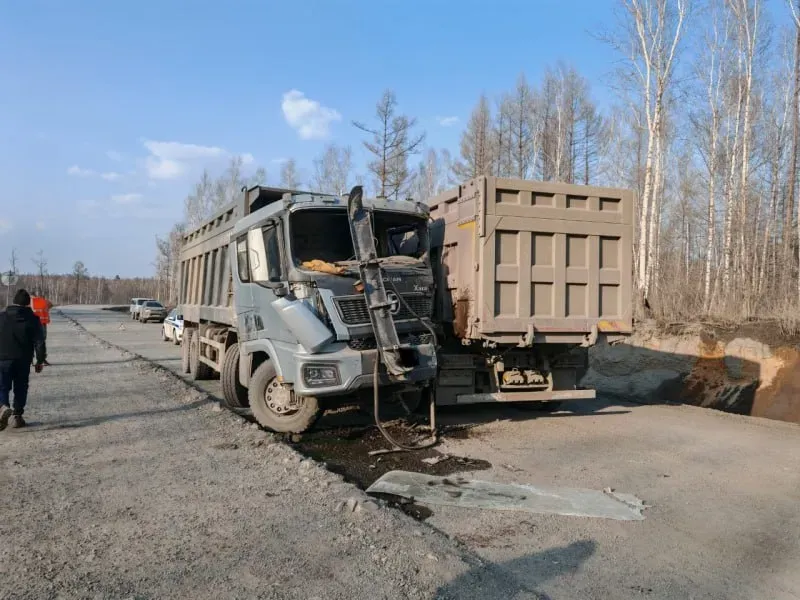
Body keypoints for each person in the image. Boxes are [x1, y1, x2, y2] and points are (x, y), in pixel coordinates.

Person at [0, 289, 46, 430]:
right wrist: (39, 361)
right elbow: (40, 342)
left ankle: (2, 408)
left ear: (14, 301)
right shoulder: (33, 319)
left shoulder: (1, 317)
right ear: (27, 304)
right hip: (23, 360)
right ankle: (17, 417)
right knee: (21, 387)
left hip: (2, 358)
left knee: (2, 386)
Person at [30, 290, 51, 366]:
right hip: (42, 323)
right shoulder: (44, 301)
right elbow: (50, 305)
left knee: (31, 342)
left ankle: (30, 359)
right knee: (41, 342)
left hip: (31, 323)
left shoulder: (29, 301)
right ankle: (41, 359)